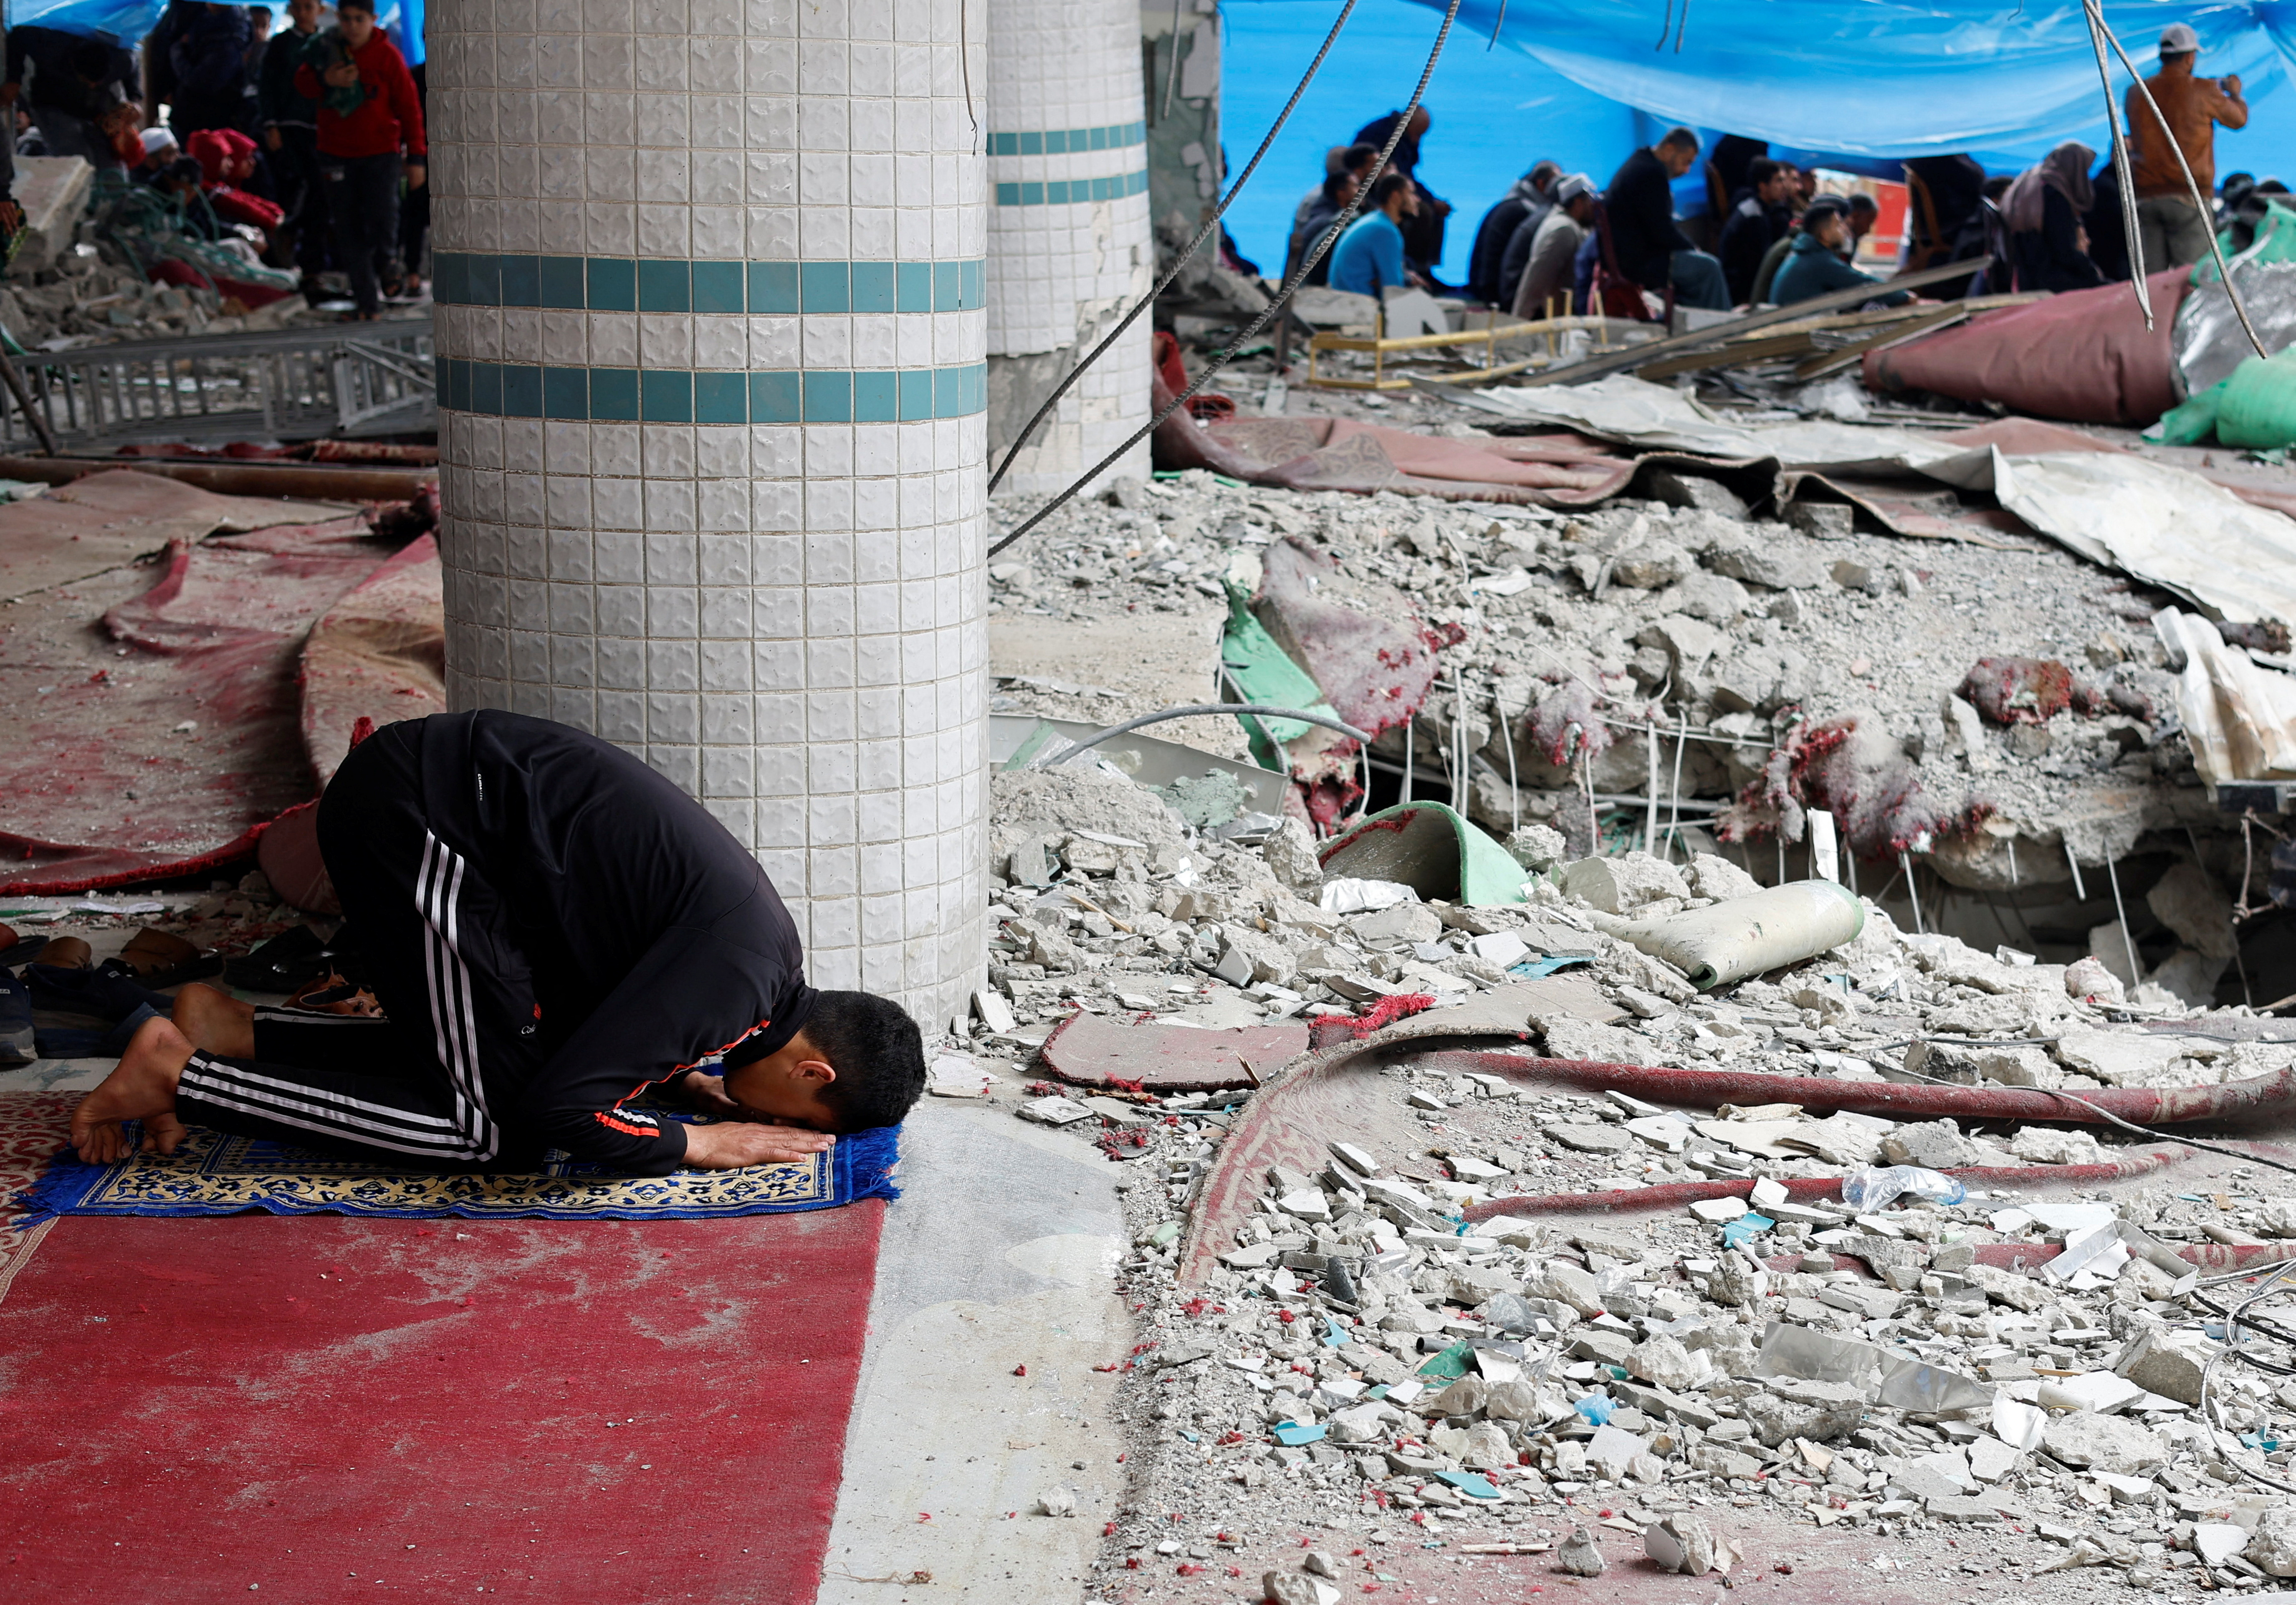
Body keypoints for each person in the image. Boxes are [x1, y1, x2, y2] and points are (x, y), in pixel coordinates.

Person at [70, 711, 929, 1176]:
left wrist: (682, 1083)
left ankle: (241, 1034)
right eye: (775, 1115)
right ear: (814, 1069)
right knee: (493, 1133)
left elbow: (601, 1040)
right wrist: (695, 1142)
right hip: (426, 823)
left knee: (513, 1066)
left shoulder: (758, 978)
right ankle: (182, 1077)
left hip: (447, 822)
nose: (751, 1118)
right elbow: (558, 1110)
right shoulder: (733, 983)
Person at [296, 0, 425, 319]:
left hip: (381, 154)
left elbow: (409, 109)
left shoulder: (387, 57)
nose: (353, 26)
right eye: (347, 19)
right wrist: (327, 79)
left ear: (373, 20)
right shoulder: (324, 49)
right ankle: (368, 305)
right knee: (348, 229)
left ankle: (388, 265)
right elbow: (301, 85)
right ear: (338, 19)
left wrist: (418, 157)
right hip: (336, 154)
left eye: (360, 19)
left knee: (383, 219)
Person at [2126, 21, 2246, 271]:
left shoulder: (2136, 93)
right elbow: (2238, 120)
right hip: (2188, 195)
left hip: (2145, 198)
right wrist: (2234, 94)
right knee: (2193, 278)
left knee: (2152, 284)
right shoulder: (2204, 90)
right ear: (2191, 57)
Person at [1603, 125, 1729, 311]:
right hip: (1638, 261)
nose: (1686, 171)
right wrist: (1692, 248)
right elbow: (1662, 230)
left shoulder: (1641, 164)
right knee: (1709, 267)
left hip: (1633, 254)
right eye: (1686, 162)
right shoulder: (1650, 173)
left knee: (1697, 266)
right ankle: (1720, 326)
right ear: (1670, 149)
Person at [260, 0, 326, 299]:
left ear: (321, 10)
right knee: (296, 191)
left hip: (323, 130)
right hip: (289, 127)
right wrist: (271, 124)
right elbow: (267, 85)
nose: (303, 13)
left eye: (309, 6)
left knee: (320, 197)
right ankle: (289, 266)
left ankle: (312, 268)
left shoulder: (329, 43)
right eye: (297, 7)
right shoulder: (280, 44)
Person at [2, 28, 138, 168]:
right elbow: (18, 35)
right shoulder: (50, 48)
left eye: (96, 83)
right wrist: (14, 80)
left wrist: (133, 100)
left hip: (96, 110)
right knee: (77, 159)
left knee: (111, 164)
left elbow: (133, 71)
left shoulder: (123, 61)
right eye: (87, 81)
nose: (91, 85)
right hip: (54, 104)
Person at [1352, 106, 1450, 280]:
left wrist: (1431, 199)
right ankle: (1415, 268)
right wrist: (1426, 200)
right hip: (1377, 191)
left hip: (1396, 186)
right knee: (1424, 212)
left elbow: (1409, 175)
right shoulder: (1381, 135)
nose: (1418, 140)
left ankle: (1426, 269)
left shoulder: (1407, 139)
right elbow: (1394, 177)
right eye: (1418, 134)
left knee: (1435, 211)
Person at [1770, 194, 1912, 306]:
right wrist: (1904, 297)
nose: (1845, 230)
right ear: (1825, 235)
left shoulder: (1806, 253)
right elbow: (1863, 284)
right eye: (1838, 225)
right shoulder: (1819, 261)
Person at [2004, 142, 2105, 293]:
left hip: (2029, 271)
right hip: (2051, 278)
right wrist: (2091, 272)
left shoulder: (2035, 181)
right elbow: (2062, 248)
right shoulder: (2055, 194)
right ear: (2075, 167)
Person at [156, 0, 255, 137]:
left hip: (206, 116)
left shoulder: (231, 37)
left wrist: (177, 50)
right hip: (189, 109)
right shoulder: (201, 14)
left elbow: (200, 81)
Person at [1468, 160, 1558, 306]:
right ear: (1541, 184)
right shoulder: (1525, 211)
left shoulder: (1514, 204)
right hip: (1493, 294)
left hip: (1485, 286)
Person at [1510, 172, 1597, 319]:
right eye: (1590, 202)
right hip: (1556, 322)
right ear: (1578, 202)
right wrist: (1518, 324)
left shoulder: (1566, 224)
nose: (1594, 208)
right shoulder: (1564, 230)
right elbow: (1535, 282)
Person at [1327, 170, 1422, 297]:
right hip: (1359, 306)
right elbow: (1394, 289)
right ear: (1396, 197)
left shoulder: (1376, 221)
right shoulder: (1385, 231)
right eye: (1412, 193)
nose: (1418, 200)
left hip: (1345, 298)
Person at [1717, 157, 1793, 304]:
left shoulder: (1761, 210)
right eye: (1778, 181)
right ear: (1763, 186)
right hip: (1740, 293)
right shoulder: (1753, 217)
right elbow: (1758, 266)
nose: (1784, 186)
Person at [1285, 160, 1363, 288]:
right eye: (1355, 186)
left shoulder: (1325, 217)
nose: (1361, 191)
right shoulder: (1331, 224)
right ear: (1341, 193)